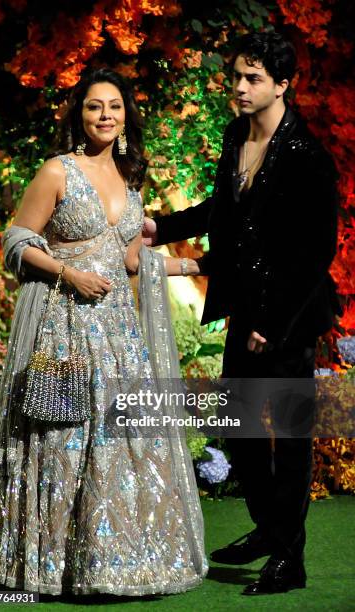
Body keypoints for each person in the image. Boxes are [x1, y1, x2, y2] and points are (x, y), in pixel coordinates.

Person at [0, 68, 208, 596]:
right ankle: (51, 567)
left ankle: (116, 563)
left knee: (122, 444)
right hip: (64, 326)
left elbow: (133, 260)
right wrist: (68, 272)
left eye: (114, 106)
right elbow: (15, 240)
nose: (105, 115)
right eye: (93, 106)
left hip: (119, 336)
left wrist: (199, 267)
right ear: (79, 116)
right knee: (64, 440)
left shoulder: (132, 181)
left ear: (126, 115)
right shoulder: (58, 171)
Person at [143, 31, 340, 595]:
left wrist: (271, 323)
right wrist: (165, 228)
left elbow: (314, 252)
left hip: (290, 318)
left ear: (283, 84)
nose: (240, 87)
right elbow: (224, 211)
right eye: (236, 77)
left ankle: (289, 561)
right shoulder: (235, 136)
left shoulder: (308, 157)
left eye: (253, 78)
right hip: (243, 308)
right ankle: (270, 528)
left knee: (291, 441)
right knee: (240, 430)